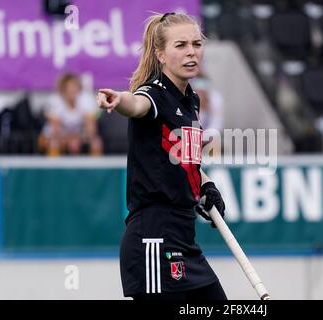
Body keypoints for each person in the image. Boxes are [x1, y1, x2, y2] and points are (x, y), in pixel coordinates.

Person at [96, 12, 227, 300]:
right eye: (180, 45)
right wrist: (120, 100)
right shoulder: (154, 93)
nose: (191, 51)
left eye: (196, 43)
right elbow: (137, 104)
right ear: (161, 55)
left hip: (184, 236)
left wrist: (206, 185)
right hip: (153, 239)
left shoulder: (190, 99)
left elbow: (187, 160)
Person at [39, 72, 103, 156]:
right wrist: (70, 140)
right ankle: (54, 167)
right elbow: (55, 130)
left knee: (96, 142)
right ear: (63, 90)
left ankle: (95, 168)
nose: (72, 90)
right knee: (54, 143)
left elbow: (91, 130)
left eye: (75, 87)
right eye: (69, 88)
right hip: (55, 136)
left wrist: (79, 138)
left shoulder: (86, 100)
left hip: (79, 136)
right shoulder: (54, 101)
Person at [191, 72, 223, 156]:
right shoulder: (189, 99)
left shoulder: (215, 99)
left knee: (214, 141)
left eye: (203, 91)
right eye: (198, 91)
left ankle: (214, 164)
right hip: (192, 135)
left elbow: (216, 125)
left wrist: (206, 137)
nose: (201, 94)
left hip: (207, 135)